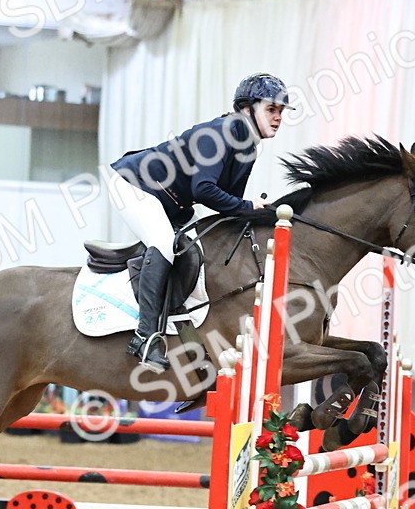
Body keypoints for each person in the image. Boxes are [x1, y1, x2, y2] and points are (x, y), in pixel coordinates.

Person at [105, 72, 293, 372]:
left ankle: (182, 321)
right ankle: (145, 337)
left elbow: (230, 203)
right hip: (135, 182)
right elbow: (204, 189)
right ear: (247, 108)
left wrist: (257, 213)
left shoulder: (250, 145)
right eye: (271, 109)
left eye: (281, 111)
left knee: (199, 246)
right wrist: (248, 206)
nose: (278, 117)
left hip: (172, 201)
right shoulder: (223, 133)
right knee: (163, 243)